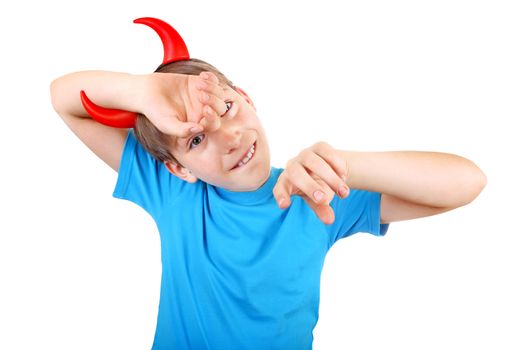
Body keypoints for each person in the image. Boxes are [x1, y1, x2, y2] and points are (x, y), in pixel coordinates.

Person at [50, 17, 486, 350]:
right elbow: (64, 98)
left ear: (248, 99)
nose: (231, 137)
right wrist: (145, 92)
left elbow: (466, 182)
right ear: (178, 167)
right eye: (196, 139)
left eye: (227, 108)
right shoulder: (174, 192)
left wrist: (342, 166)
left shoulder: (317, 194)